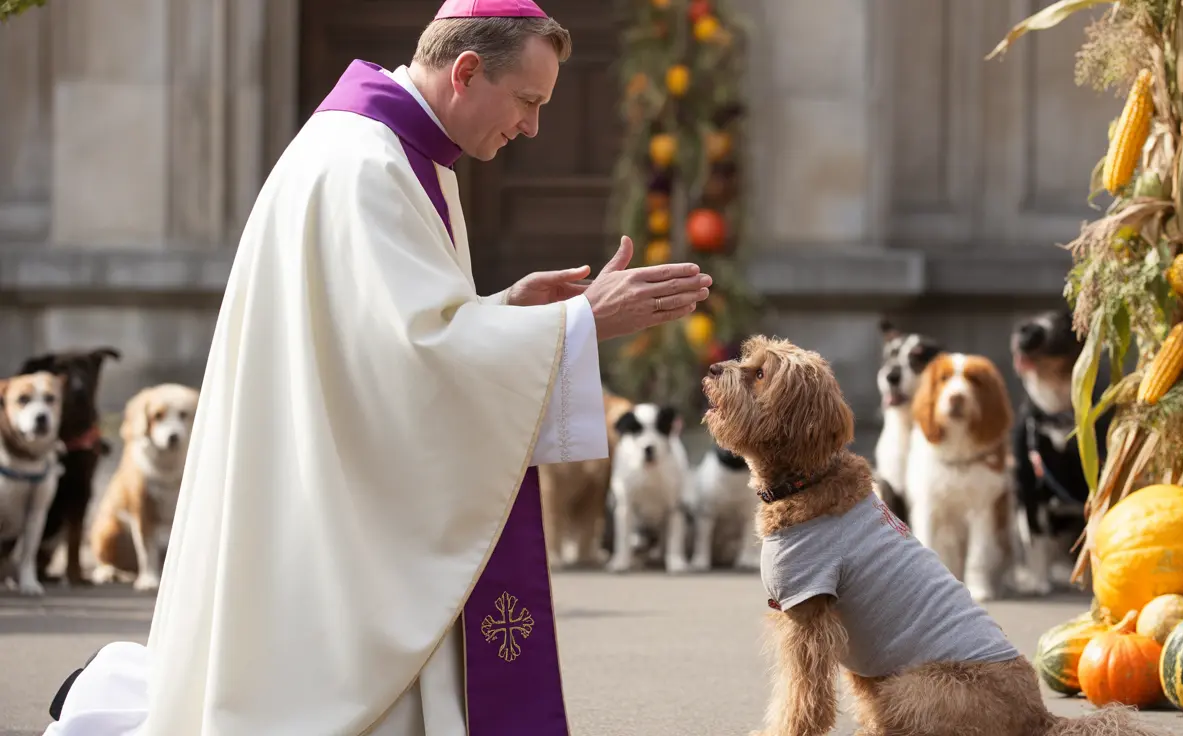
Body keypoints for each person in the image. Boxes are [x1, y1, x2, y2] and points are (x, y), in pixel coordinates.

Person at [41, 1, 712, 734]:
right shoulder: (364, 163)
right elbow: (412, 364)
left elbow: (396, 341)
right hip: (327, 491)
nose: (533, 127)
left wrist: (508, 308)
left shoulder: (395, 152)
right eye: (528, 100)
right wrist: (580, 323)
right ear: (465, 71)